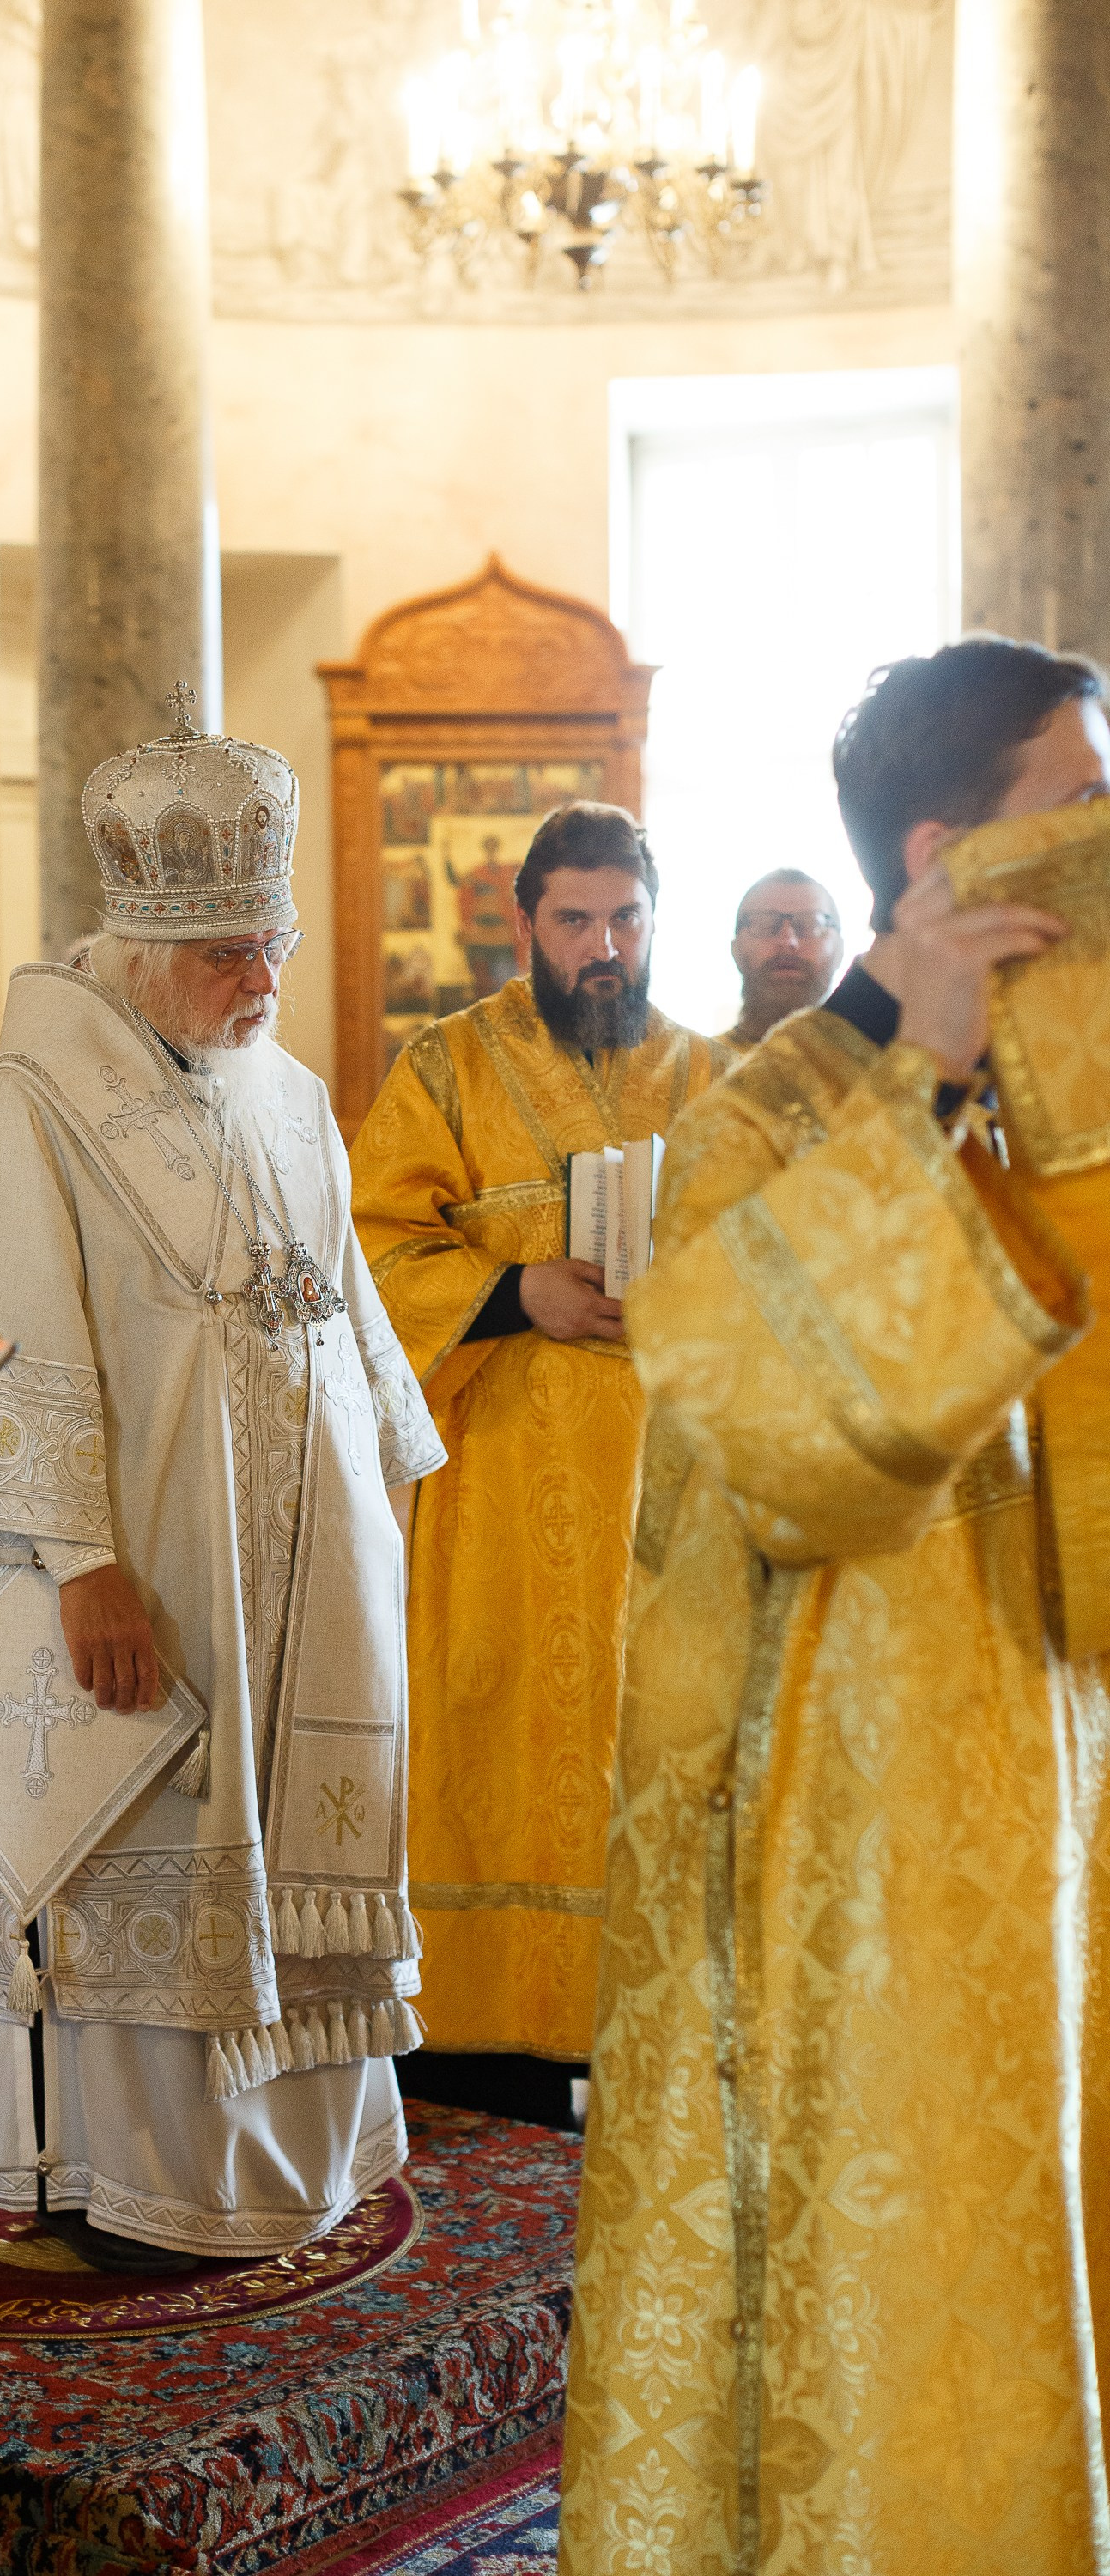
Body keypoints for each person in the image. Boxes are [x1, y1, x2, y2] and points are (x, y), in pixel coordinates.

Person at [558, 635, 1110, 2572]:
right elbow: (783, 1438)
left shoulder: (1081, 1078)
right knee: (896, 2253)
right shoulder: (764, 1108)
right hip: (839, 1829)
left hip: (1039, 1767)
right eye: (1080, 805)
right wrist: (929, 1073)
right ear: (953, 854)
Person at [0, 699, 443, 2269]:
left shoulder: (287, 1092)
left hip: (310, 1557)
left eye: (271, 942)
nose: (265, 979)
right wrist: (78, 1559)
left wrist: (390, 1488)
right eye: (230, 951)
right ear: (146, 952)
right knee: (157, 1822)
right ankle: (137, 2187)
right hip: (157, 1550)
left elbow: (345, 1300)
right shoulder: (40, 1103)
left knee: (307, 1843)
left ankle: (301, 2168)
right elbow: (14, 1324)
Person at [349, 802, 725, 2110]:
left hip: (674, 1501)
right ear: (523, 925)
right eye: (575, 919)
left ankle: (657, 2061)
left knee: (663, 1749)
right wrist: (519, 1294)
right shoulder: (444, 1069)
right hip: (500, 1490)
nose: (603, 946)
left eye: (626, 917)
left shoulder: (712, 1077)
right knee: (494, 1737)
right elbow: (367, 1251)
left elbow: (783, 1259)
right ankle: (487, 2052)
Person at [718, 866, 844, 1052]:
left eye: (810, 925)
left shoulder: (881, 1071)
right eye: (765, 925)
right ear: (735, 950)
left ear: (839, 951)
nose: (788, 942)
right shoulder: (699, 1069)